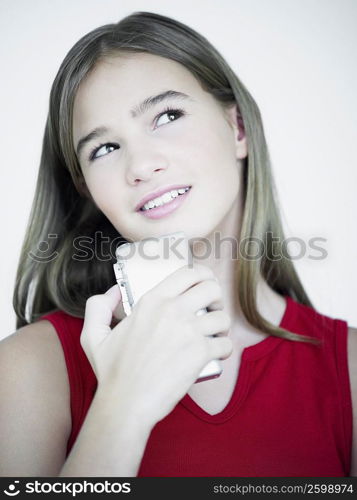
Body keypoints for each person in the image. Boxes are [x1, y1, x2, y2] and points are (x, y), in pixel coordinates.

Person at [0, 11, 356, 477]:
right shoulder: (27, 370)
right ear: (87, 188)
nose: (142, 166)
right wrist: (122, 406)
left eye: (167, 115)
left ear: (238, 130)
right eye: (104, 148)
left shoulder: (346, 369)